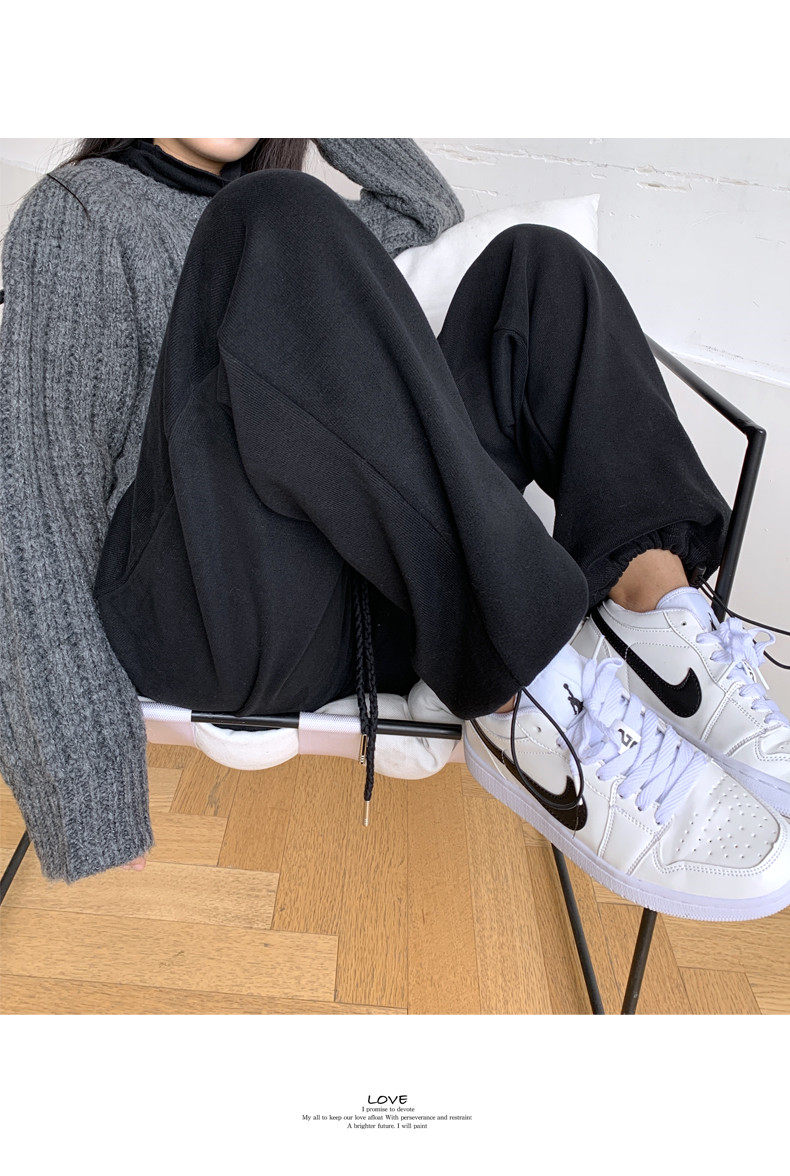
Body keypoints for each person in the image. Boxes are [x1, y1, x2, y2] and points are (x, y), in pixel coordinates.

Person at [1, 138, 788, 921]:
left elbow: (426, 212)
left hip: (354, 597)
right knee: (270, 213)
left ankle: (658, 624)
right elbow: (31, 505)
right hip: (207, 611)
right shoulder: (85, 210)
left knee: (537, 270)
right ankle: (531, 706)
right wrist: (85, 786)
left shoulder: (299, 226)